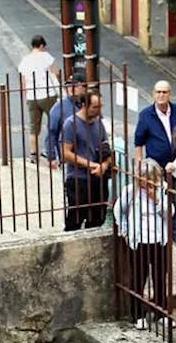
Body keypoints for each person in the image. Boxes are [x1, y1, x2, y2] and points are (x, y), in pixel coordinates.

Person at [112, 158, 170, 330]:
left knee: (160, 278)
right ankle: (138, 314)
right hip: (139, 241)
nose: (145, 182)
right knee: (139, 278)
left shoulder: (163, 190)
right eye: (142, 178)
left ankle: (162, 312)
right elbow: (119, 210)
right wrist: (124, 231)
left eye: (148, 178)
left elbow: (170, 214)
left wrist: (157, 200)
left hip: (159, 240)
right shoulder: (130, 191)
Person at [61, 90, 113, 230]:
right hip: (79, 179)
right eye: (95, 107)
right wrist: (91, 165)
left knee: (97, 218)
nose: (98, 111)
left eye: (100, 107)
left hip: (98, 178)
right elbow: (66, 153)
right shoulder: (70, 124)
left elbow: (106, 147)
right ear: (84, 105)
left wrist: (104, 165)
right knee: (75, 219)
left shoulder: (98, 123)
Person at [18, 34, 61, 163]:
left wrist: (26, 95)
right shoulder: (47, 57)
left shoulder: (25, 60)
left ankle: (33, 155)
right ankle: (53, 152)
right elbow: (56, 74)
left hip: (32, 96)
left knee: (33, 127)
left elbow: (23, 80)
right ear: (42, 45)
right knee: (54, 124)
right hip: (47, 94)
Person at [133, 80, 176, 168]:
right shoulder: (145, 115)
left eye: (164, 92)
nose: (161, 95)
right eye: (158, 92)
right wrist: (139, 166)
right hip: (156, 166)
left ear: (170, 94)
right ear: (153, 94)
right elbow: (138, 143)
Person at [46, 72, 87, 169]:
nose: (71, 89)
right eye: (68, 86)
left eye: (75, 86)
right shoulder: (59, 107)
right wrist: (51, 157)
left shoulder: (89, 103)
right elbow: (51, 132)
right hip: (68, 159)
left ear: (84, 87)